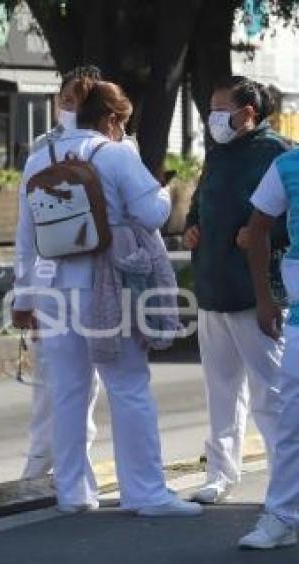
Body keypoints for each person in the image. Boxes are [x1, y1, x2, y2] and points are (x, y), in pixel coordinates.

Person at [12, 80, 202, 517]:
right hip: (106, 286)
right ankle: (147, 493)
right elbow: (153, 213)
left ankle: (73, 492)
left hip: (52, 286)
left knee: (68, 391)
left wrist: (23, 297)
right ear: (111, 119)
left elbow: (26, 235)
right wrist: (154, 186)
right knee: (128, 385)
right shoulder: (116, 154)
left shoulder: (42, 156)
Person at [183, 76, 291, 504]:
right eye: (210, 109)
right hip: (213, 287)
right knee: (221, 391)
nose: (213, 118)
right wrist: (192, 227)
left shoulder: (278, 153)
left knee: (272, 394)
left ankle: (284, 483)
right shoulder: (218, 153)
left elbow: (292, 216)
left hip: (256, 290)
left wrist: (266, 233)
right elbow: (199, 203)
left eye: (220, 109)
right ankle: (220, 475)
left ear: (248, 113)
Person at [21, 65, 103, 481]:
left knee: (88, 386)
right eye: (64, 100)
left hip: (100, 282)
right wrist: (24, 295)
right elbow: (26, 231)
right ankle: (39, 464)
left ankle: (76, 468)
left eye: (77, 102)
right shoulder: (41, 151)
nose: (68, 109)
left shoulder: (113, 148)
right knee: (50, 379)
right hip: (49, 281)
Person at [237, 146, 299, 550]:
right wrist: (264, 297)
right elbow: (255, 229)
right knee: (292, 419)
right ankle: (282, 516)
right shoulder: (288, 165)